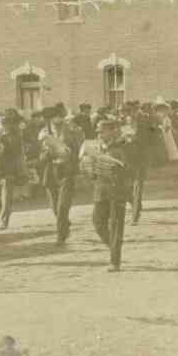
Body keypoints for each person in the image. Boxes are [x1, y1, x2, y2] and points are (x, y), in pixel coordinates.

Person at [80, 117, 131, 272]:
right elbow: (91, 171)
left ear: (112, 131)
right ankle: (114, 247)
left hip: (117, 191)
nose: (99, 134)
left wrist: (117, 169)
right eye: (98, 132)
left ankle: (115, 261)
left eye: (102, 131)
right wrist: (88, 168)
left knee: (116, 226)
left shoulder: (124, 147)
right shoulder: (96, 148)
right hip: (101, 190)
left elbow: (129, 170)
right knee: (97, 222)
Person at [37, 107, 81, 246]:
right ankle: (64, 224)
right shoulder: (43, 134)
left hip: (66, 171)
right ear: (49, 120)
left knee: (62, 207)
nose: (57, 120)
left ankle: (60, 236)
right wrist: (47, 153)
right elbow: (39, 156)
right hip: (51, 171)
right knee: (55, 208)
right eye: (54, 117)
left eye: (59, 116)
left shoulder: (71, 131)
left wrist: (70, 154)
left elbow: (79, 150)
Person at [0, 109, 26, 230]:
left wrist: (0, 142)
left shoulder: (14, 138)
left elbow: (14, 152)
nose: (5, 126)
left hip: (8, 172)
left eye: (7, 124)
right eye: (3, 123)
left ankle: (4, 221)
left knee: (6, 199)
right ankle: (4, 210)